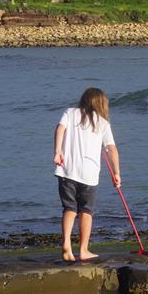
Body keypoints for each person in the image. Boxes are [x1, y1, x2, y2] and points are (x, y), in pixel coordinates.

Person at [54, 87, 120, 262]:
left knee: (69, 208)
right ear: (101, 104)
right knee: (86, 211)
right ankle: (83, 249)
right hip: (89, 173)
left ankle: (67, 244)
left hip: (67, 170)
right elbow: (111, 149)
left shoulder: (70, 112)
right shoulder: (103, 123)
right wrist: (116, 173)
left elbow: (60, 129)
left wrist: (58, 151)